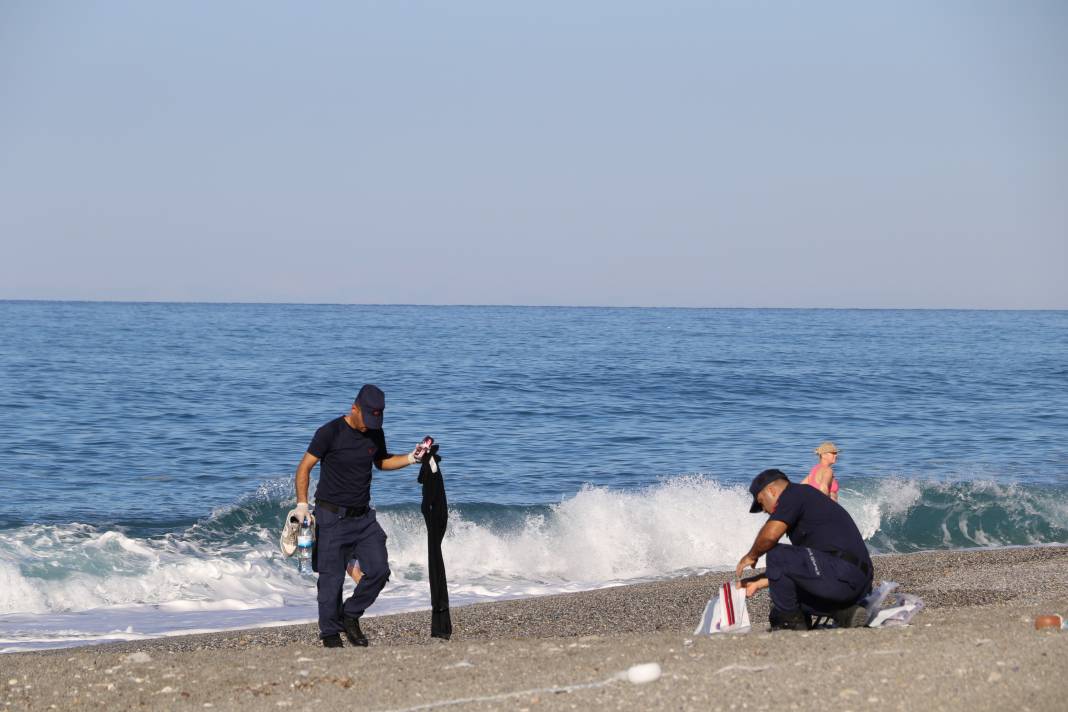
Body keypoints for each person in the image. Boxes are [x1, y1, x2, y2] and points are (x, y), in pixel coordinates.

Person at [294, 384, 427, 648]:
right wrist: (302, 505)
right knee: (330, 580)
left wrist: (412, 458)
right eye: (366, 419)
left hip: (363, 518)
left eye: (375, 420)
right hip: (331, 515)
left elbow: (381, 462)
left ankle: (350, 614)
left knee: (379, 570)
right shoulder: (329, 432)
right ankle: (330, 633)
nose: (369, 426)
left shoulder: (374, 432)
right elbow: (304, 467)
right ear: (354, 408)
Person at [735, 468, 872, 630]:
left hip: (844, 573)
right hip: (855, 582)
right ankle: (844, 613)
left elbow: (770, 537)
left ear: (771, 490)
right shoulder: (806, 500)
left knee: (776, 553)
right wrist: (758, 582)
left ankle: (792, 623)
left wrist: (752, 555)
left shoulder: (793, 494)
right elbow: (798, 569)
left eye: (761, 502)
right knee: (783, 600)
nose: (763, 509)